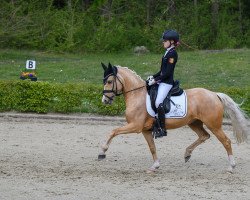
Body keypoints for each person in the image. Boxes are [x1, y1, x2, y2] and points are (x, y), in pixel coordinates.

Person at [146, 29, 179, 138]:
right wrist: (153, 77)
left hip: (167, 83)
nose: (163, 42)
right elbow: (161, 71)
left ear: (172, 42)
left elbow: (168, 73)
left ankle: (162, 128)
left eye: (165, 41)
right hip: (162, 81)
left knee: (158, 102)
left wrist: (155, 81)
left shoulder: (173, 54)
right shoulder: (167, 52)